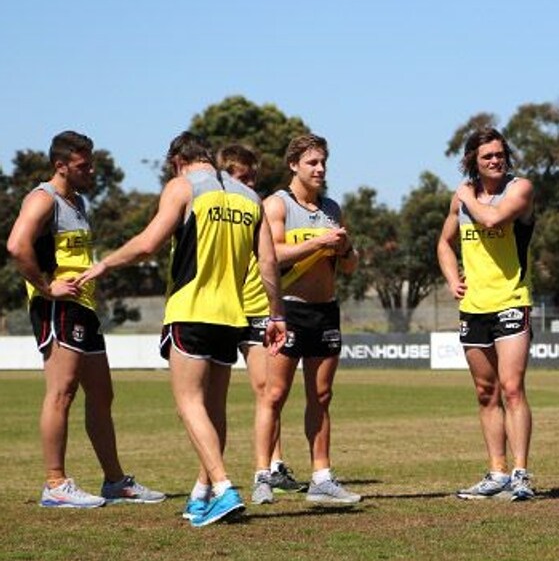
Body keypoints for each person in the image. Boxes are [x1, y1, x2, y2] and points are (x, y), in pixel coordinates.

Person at [76, 132, 286, 527]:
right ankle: (201, 494)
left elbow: (148, 244)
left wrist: (104, 264)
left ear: (176, 162)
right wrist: (277, 315)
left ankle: (223, 488)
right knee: (214, 408)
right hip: (233, 316)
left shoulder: (183, 186)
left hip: (190, 311)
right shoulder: (250, 196)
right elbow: (268, 262)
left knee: (189, 404)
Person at [6, 131, 166, 509]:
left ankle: (114, 482)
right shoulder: (43, 199)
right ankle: (55, 484)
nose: (91, 170)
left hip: (84, 307)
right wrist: (46, 288)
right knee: (61, 392)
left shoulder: (77, 201)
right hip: (57, 307)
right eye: (83, 165)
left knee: (102, 394)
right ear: (60, 165)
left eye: (91, 164)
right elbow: (16, 244)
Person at [252, 133, 362, 506]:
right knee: (274, 395)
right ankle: (263, 475)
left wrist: (345, 248)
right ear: (293, 165)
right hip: (289, 310)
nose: (320, 169)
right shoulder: (276, 204)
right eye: (312, 162)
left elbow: (350, 266)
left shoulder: (332, 208)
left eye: (323, 162)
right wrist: (317, 243)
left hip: (325, 311)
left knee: (322, 396)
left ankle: (322, 478)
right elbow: (271, 255)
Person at [436, 127, 535, 501]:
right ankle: (497, 473)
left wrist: (465, 196)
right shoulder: (461, 198)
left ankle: (520, 474)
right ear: (473, 162)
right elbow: (444, 242)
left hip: (511, 299)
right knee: (485, 392)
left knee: (512, 388)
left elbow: (493, 220)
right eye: (487, 156)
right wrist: (452, 279)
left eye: (499, 154)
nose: (495, 160)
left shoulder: (520, 188)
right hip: (473, 307)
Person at [217, 144, 306, 497]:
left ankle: (273, 465)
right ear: (225, 176)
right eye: (244, 177)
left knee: (267, 390)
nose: (251, 183)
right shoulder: (216, 210)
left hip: (257, 308)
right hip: (223, 309)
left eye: (254, 177)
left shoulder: (257, 208)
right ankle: (212, 478)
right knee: (211, 397)